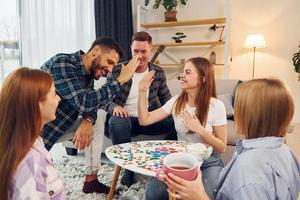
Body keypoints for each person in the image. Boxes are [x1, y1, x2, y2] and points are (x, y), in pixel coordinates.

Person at [164, 78, 300, 200]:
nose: (235, 113)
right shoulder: (288, 152)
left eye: (238, 107)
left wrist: (199, 196)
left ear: (250, 115)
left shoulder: (249, 173)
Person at [41, 37, 139, 194]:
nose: (110, 69)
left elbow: (92, 104)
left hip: (60, 126)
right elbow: (85, 101)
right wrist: (121, 79)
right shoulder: (63, 63)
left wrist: (87, 120)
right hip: (34, 132)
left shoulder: (88, 76)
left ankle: (91, 180)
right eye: (110, 62)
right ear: (96, 51)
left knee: (97, 119)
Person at [139, 57, 227, 199]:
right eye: (182, 72)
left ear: (203, 79)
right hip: (182, 159)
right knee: (153, 194)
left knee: (208, 196)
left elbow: (222, 147)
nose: (182, 75)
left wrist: (200, 130)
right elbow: (145, 120)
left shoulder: (216, 106)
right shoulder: (176, 101)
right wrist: (142, 91)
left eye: (187, 72)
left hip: (210, 161)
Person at [102, 31, 176, 187]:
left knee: (179, 123)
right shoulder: (117, 70)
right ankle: (128, 170)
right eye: (136, 51)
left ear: (150, 51)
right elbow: (104, 99)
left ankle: (167, 164)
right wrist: (115, 107)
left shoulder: (158, 72)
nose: (140, 56)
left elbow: (167, 101)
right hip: (125, 120)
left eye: (144, 51)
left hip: (149, 120)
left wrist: (178, 113)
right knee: (116, 122)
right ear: (131, 49)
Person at [0, 67, 65, 199]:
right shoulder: (31, 163)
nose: (59, 99)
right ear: (36, 103)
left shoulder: (28, 142)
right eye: (54, 94)